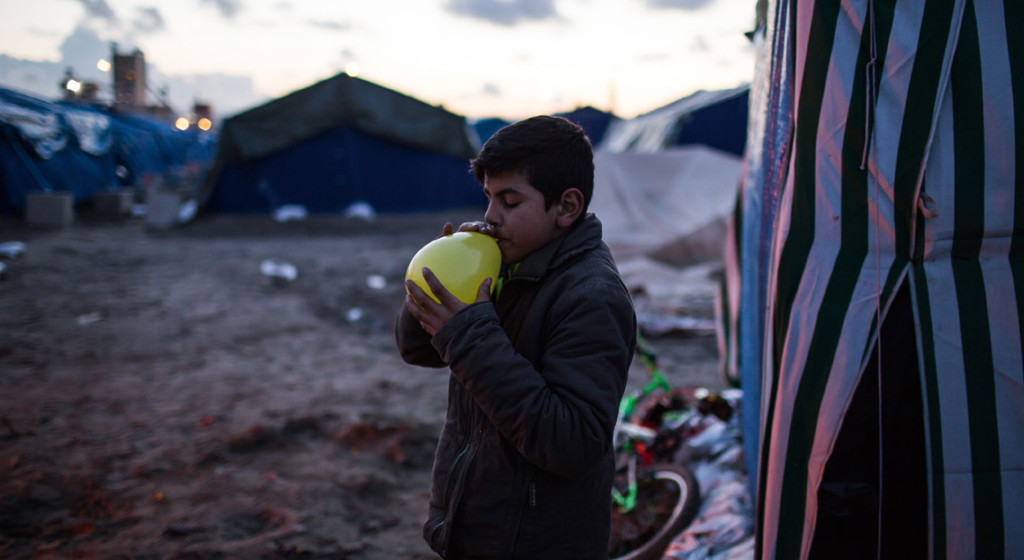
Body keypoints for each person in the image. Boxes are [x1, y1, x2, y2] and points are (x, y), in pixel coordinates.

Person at [395, 115, 636, 559]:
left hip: (537, 545)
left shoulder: (593, 297)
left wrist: (471, 335)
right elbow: (416, 350)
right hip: (476, 528)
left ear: (566, 207)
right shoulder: (508, 264)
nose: (489, 217)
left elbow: (572, 442)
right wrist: (442, 280)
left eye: (509, 201)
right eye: (488, 198)